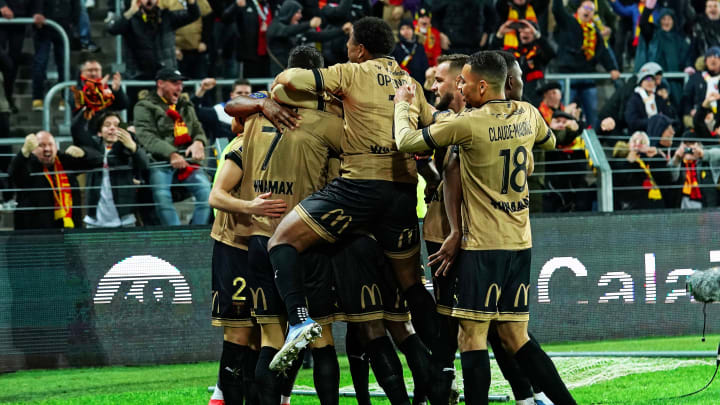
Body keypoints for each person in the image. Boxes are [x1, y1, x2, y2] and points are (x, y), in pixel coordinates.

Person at [393, 51, 575, 405]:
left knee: (471, 338)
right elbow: (551, 141)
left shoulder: (469, 123)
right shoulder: (530, 114)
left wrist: (403, 106)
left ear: (481, 85)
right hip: (520, 243)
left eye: (463, 81)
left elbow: (406, 142)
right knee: (515, 336)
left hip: (482, 246)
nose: (459, 87)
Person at [265, 17, 438, 386]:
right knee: (411, 287)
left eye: (349, 43)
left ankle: (298, 321)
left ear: (360, 49)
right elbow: (431, 129)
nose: (346, 49)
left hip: (360, 189)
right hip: (403, 194)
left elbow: (294, 79)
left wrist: (278, 87)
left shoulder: (352, 72)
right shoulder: (411, 82)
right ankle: (444, 370)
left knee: (281, 241)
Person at [133, 67, 211, 226]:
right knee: (162, 196)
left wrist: (199, 142)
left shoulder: (185, 104)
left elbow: (197, 128)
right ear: (160, 83)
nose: (180, 88)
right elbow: (147, 137)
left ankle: (195, 233)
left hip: (188, 161)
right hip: (160, 161)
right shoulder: (144, 106)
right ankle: (175, 235)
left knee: (206, 191)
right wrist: (172, 154)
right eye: (175, 83)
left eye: (181, 84)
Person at [9, 131, 102, 229]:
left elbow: (98, 160)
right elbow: (13, 175)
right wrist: (24, 152)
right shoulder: (27, 164)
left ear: (56, 147)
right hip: (34, 232)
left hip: (68, 230)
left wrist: (84, 153)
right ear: (33, 149)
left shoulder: (64, 161)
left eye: (50, 144)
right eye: (41, 145)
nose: (47, 149)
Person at [552, 0, 620, 128]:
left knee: (592, 112)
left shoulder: (594, 30)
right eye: (586, 7)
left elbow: (603, 52)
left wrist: (612, 68)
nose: (588, 10)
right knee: (566, 112)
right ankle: (566, 140)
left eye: (592, 9)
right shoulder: (569, 22)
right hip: (568, 78)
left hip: (587, 77)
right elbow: (557, 11)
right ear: (578, 9)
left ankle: (591, 142)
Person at [76, 112, 149, 228]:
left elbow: (145, 164)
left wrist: (133, 146)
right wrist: (85, 111)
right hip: (95, 220)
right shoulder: (92, 148)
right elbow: (76, 129)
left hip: (124, 219)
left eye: (117, 125)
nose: (112, 128)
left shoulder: (128, 148)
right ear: (99, 132)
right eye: (107, 125)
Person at [107, 0, 199, 80]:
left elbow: (193, 15)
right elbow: (113, 29)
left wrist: (190, 1)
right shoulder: (131, 18)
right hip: (138, 76)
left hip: (166, 74)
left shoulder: (167, 16)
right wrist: (131, 12)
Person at [491, 18, 554, 106]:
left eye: (528, 31)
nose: (524, 33)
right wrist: (500, 34)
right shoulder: (512, 53)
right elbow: (492, 56)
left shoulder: (539, 53)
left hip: (536, 98)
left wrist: (536, 34)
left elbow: (551, 53)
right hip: (516, 98)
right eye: (521, 31)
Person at [31, 0, 80, 111]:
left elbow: (76, 6)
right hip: (42, 28)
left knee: (64, 64)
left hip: (64, 27)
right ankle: (37, 98)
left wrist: (73, 23)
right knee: (40, 62)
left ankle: (65, 98)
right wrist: (36, 13)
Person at [192, 78, 252, 143]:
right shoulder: (219, 111)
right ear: (232, 95)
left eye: (247, 93)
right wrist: (202, 89)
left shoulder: (258, 114)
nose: (243, 96)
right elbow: (192, 111)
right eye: (239, 93)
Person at [0, 0, 33, 113]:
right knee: (6, 62)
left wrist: (37, 12)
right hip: (2, 20)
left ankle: (8, 98)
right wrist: (2, 5)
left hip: (19, 20)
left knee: (12, 64)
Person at [625, 67, 677, 133]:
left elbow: (670, 116)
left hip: (659, 134)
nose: (650, 82)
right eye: (647, 79)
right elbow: (632, 121)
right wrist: (653, 122)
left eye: (652, 80)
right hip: (640, 134)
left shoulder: (658, 98)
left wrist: (666, 100)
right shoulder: (634, 99)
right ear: (641, 82)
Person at [392, 19, 430, 85]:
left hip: (419, 83)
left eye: (408, 28)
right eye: (402, 29)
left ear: (413, 30)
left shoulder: (419, 46)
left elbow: (425, 65)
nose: (406, 31)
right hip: (401, 83)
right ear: (399, 32)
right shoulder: (395, 47)